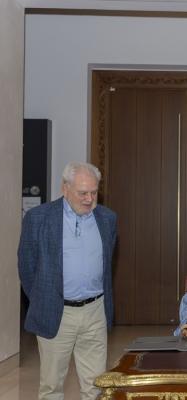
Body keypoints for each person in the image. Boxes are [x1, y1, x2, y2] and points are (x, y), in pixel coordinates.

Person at [18, 162, 117, 400]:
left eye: (94, 192)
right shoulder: (38, 218)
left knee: (96, 385)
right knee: (52, 386)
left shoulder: (107, 218)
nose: (89, 199)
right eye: (83, 193)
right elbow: (27, 266)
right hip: (57, 311)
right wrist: (45, 298)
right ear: (65, 188)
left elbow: (107, 263)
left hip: (95, 310)